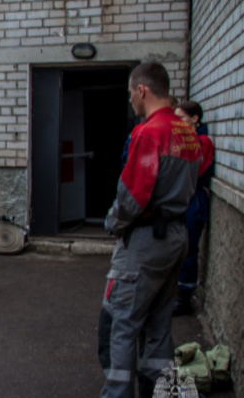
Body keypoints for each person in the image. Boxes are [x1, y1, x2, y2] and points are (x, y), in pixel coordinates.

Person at [100, 62, 201, 398]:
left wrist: (113, 223)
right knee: (159, 325)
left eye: (131, 93)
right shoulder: (187, 132)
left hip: (146, 240)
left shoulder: (148, 132)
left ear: (141, 90)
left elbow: (132, 195)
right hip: (176, 235)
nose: (131, 100)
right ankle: (158, 392)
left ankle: (118, 393)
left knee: (123, 324)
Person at [173, 101, 214, 316]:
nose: (177, 122)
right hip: (182, 198)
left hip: (194, 199)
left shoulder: (203, 142)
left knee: (189, 249)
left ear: (195, 119)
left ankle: (184, 298)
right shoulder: (184, 140)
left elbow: (192, 172)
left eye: (181, 117)